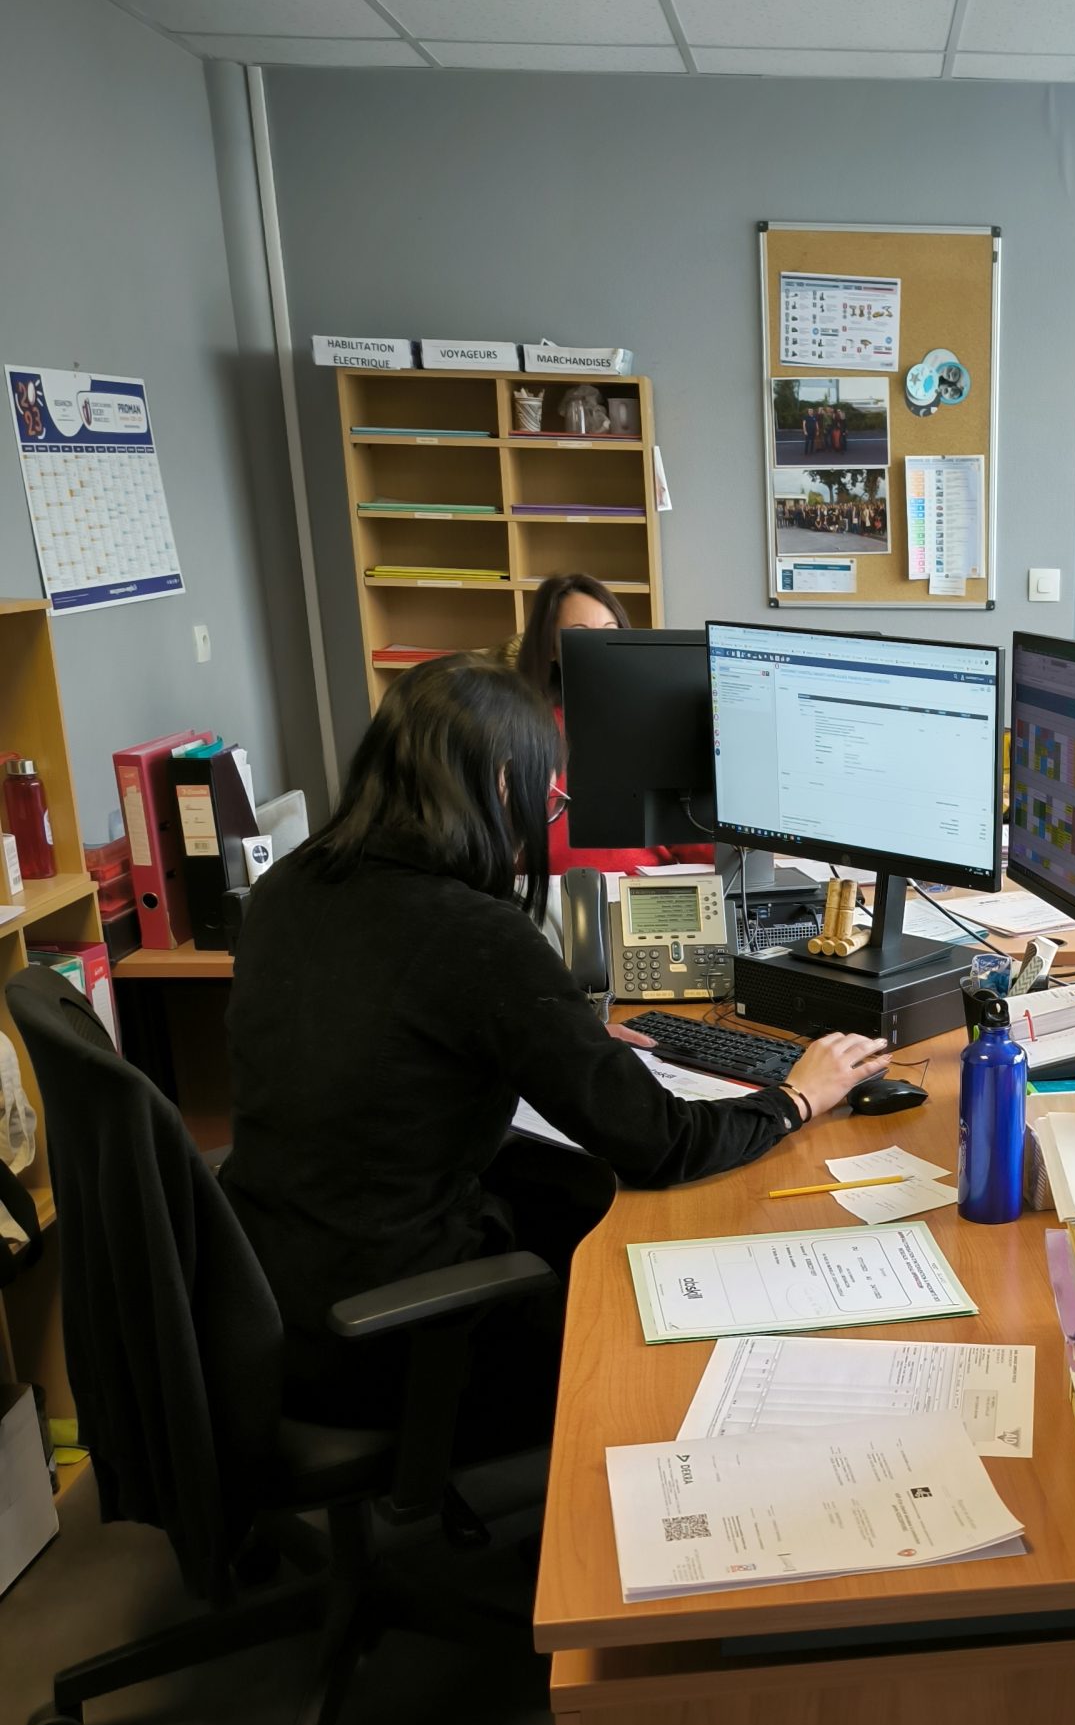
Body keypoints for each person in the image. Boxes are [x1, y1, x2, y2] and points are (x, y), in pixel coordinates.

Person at [222, 655, 890, 1435]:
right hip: (392, 1343)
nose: (546, 816)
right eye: (548, 795)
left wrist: (554, 1032)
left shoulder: (287, 886)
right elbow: (662, 1144)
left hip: (270, 1298)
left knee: (567, 1197)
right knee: (645, 1315)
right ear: (505, 784)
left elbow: (381, 1035)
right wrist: (796, 1096)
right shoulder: (474, 935)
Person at [504, 573, 712, 874]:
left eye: (609, 631)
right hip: (557, 889)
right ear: (550, 647)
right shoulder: (521, 727)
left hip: (650, 887)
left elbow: (691, 832)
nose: (600, 645)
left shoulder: (654, 722)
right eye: (580, 634)